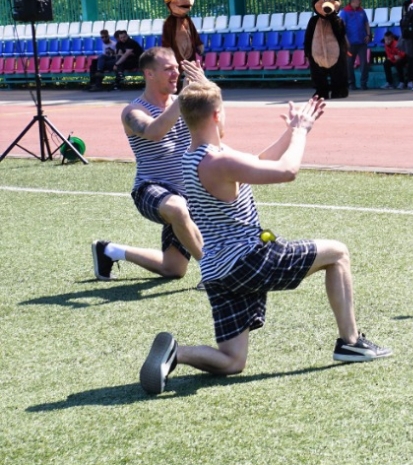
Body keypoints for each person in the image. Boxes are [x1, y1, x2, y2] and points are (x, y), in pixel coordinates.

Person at [139, 83, 390, 395]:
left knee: (232, 361)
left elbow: (258, 161)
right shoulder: (218, 161)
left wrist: (295, 132)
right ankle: (351, 343)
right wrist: (299, 130)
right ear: (217, 115)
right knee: (337, 253)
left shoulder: (197, 157)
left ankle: (177, 353)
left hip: (218, 273)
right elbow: (287, 171)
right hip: (248, 259)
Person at [92, 48, 205, 283]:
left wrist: (206, 90)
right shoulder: (133, 111)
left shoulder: (183, 102)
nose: (176, 73)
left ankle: (109, 251)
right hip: (150, 189)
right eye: (168, 69)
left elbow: (216, 132)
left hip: (188, 194)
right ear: (149, 74)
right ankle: (215, 271)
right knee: (177, 208)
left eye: (177, 68)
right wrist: (185, 96)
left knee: (173, 269)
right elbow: (155, 131)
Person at [340, 0, 371, 91]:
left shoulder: (362, 11)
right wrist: (345, 40)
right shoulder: (344, 12)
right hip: (350, 43)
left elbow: (366, 23)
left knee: (364, 63)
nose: (360, 1)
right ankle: (351, 83)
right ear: (353, 1)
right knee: (349, 63)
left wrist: (368, 34)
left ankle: (363, 83)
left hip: (362, 42)